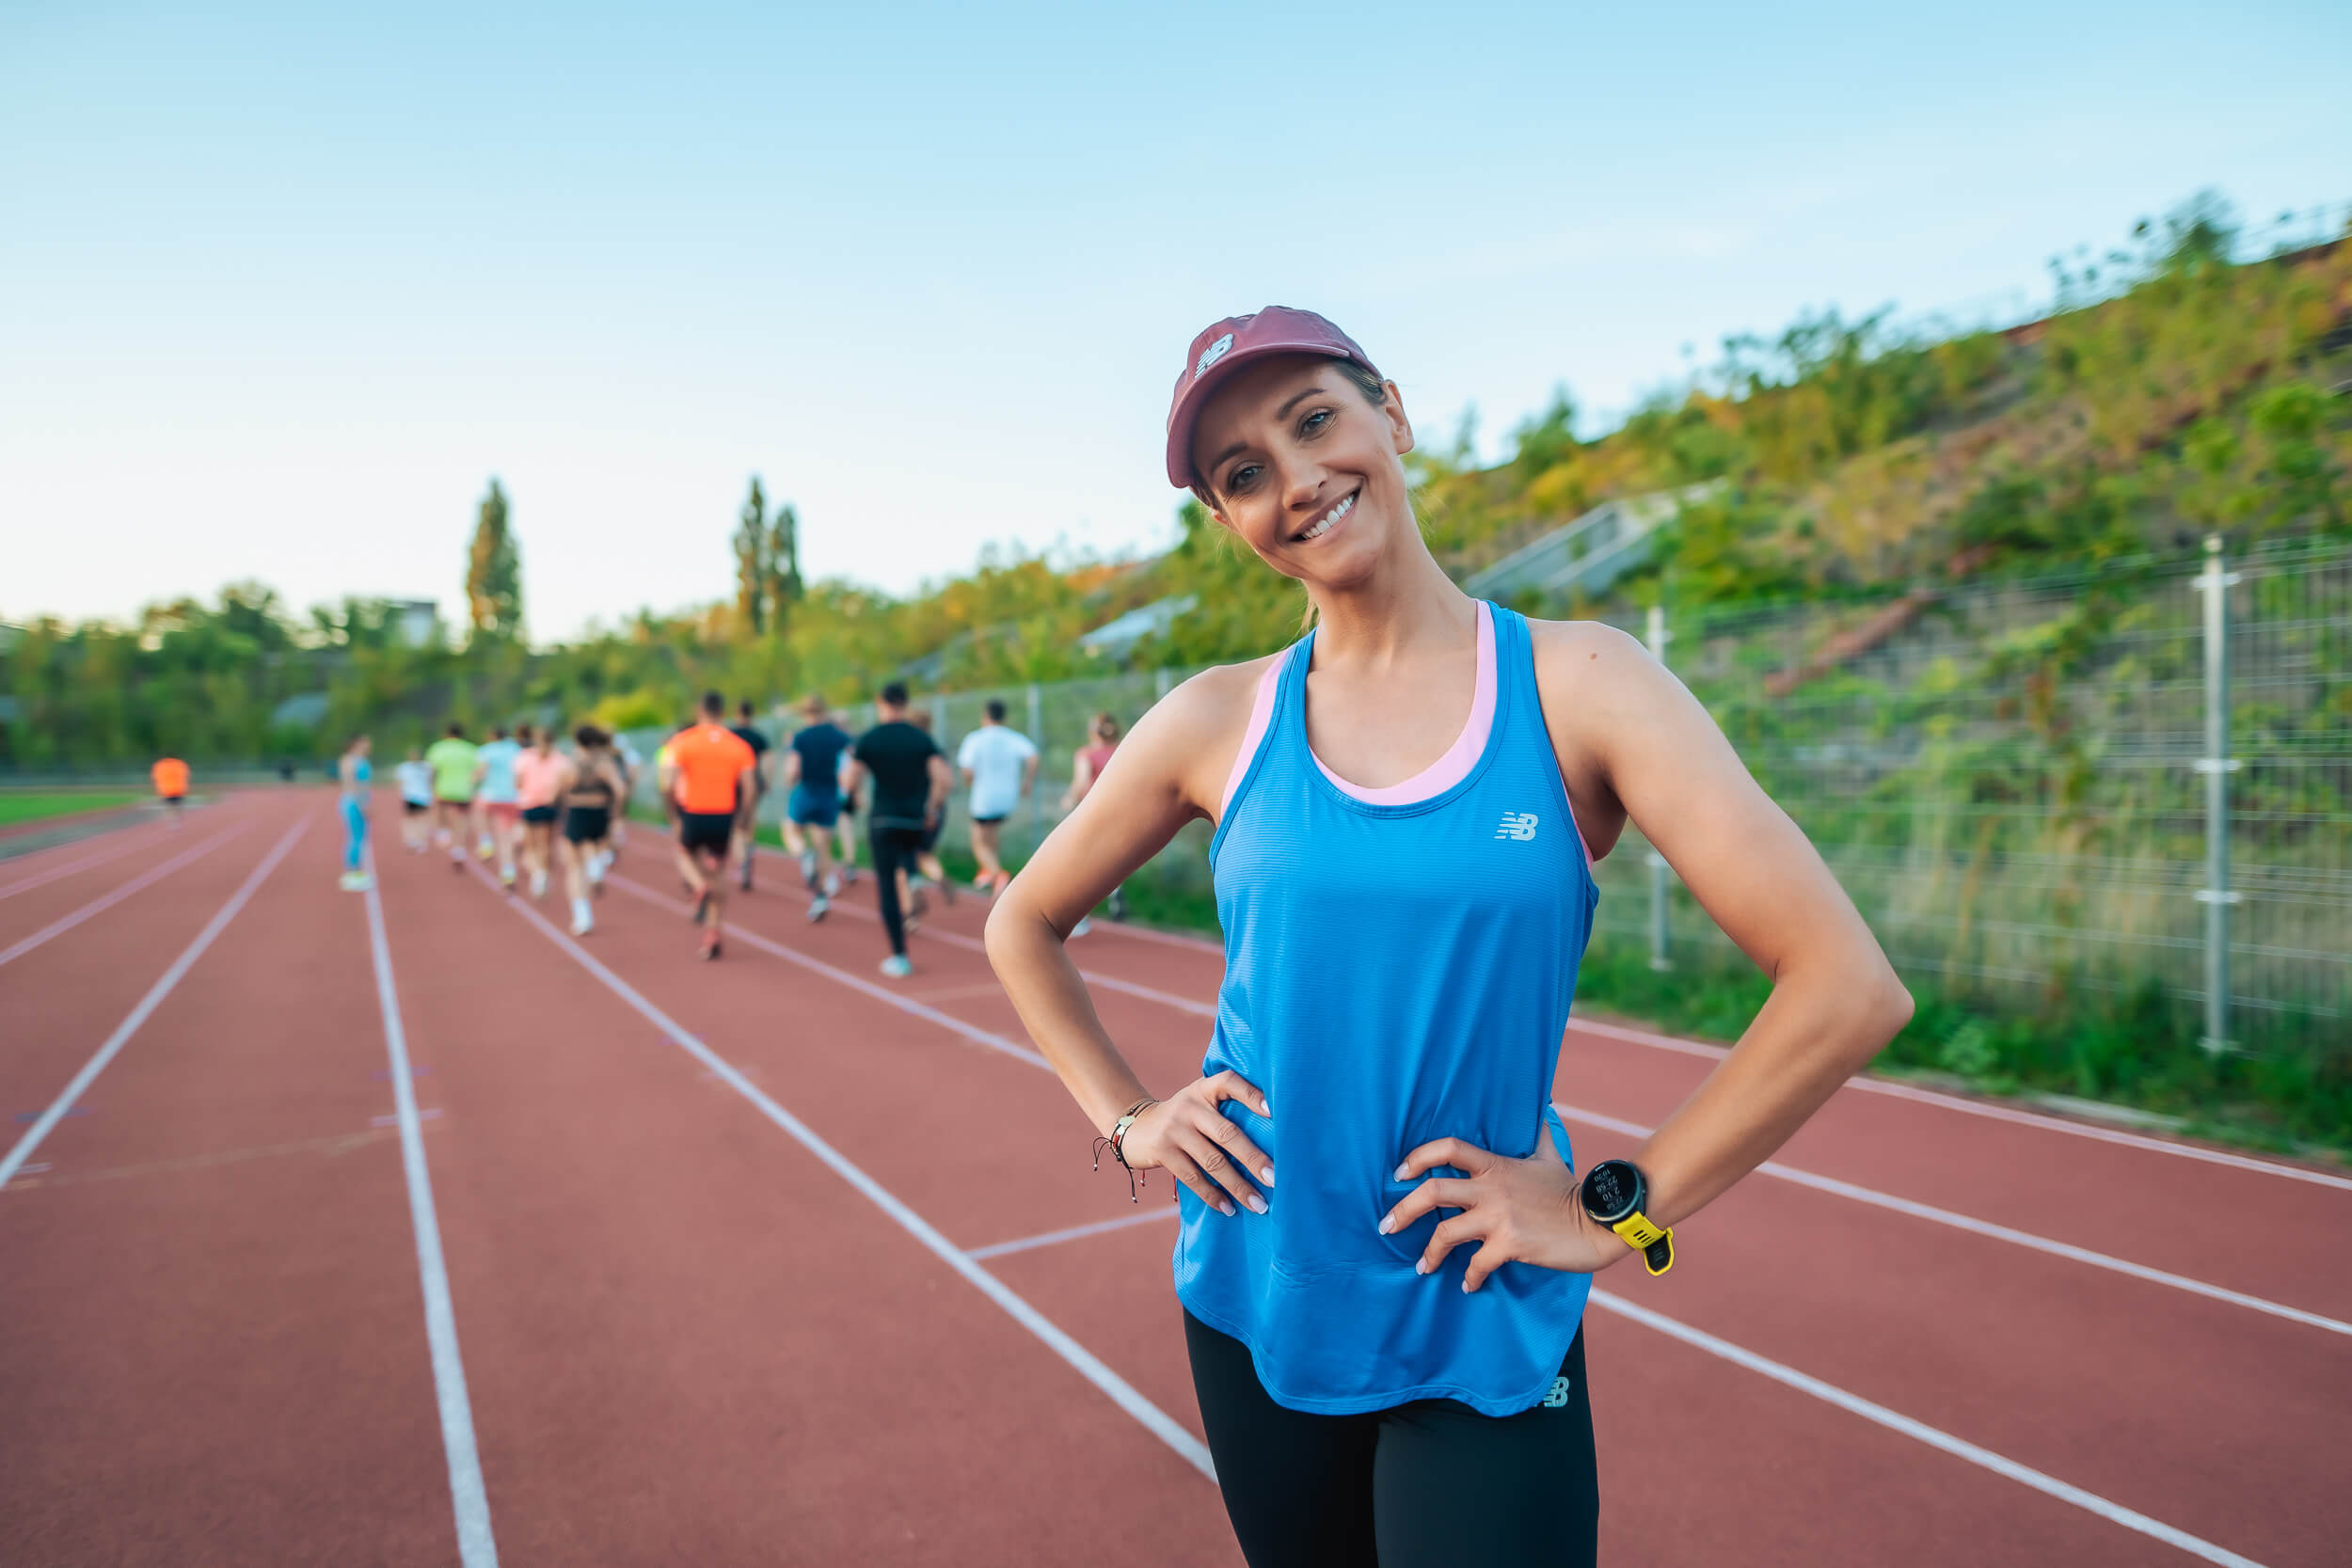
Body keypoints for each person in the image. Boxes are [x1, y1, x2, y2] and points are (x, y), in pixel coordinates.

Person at [981, 308, 1915, 1568]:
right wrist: (1129, 1119)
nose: (1296, 480)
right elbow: (1024, 920)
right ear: (1226, 520)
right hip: (1259, 1293)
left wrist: (1607, 1210)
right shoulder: (1214, 718)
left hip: (1475, 1302)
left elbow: (1847, 984)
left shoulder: (1580, 683)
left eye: (1315, 420)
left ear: (1393, 417)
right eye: (1243, 472)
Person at [844, 681, 950, 978]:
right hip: (914, 819)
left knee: (887, 886)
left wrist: (857, 795)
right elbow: (944, 779)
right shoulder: (922, 739)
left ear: (881, 702)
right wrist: (931, 807)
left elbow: (850, 780)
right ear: (905, 703)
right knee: (909, 860)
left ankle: (900, 956)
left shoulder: (869, 739)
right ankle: (914, 880)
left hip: (883, 819)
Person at [661, 691, 757, 959]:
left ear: (699, 710)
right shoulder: (738, 745)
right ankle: (713, 934)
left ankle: (697, 885)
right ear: (722, 711)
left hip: (693, 812)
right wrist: (740, 819)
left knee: (684, 856)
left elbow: (668, 784)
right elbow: (749, 789)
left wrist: (674, 816)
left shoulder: (682, 742)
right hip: (724, 815)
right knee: (719, 872)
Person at [956, 699, 1038, 896]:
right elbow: (1033, 757)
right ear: (1004, 717)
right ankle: (988, 872)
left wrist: (968, 780)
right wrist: (1027, 781)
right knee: (991, 833)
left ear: (985, 716)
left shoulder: (976, 738)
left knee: (978, 840)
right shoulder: (1013, 737)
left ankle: (997, 873)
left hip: (984, 796)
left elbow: (966, 768)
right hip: (1007, 796)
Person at [780, 694, 851, 921]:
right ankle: (821, 897)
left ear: (804, 713)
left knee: (791, 830)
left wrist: (789, 780)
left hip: (806, 792)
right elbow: (850, 762)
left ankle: (803, 853)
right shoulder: (838, 737)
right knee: (824, 846)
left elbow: (793, 769)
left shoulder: (800, 737)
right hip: (829, 795)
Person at [556, 724, 628, 936]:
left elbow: (558, 791)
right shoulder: (603, 763)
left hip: (577, 811)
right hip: (599, 810)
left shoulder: (570, 763)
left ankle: (582, 915)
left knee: (574, 866)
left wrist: (561, 810)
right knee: (596, 847)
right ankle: (596, 867)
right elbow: (620, 790)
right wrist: (616, 813)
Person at [1058, 712, 1126, 934]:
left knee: (1079, 863)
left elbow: (1081, 781)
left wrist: (1069, 799)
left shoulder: (1087, 753)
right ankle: (1114, 889)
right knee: (1110, 859)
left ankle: (1080, 915)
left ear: (1091, 731)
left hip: (1095, 813)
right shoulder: (1123, 750)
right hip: (1122, 810)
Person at [514, 725, 567, 900]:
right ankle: (543, 874)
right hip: (549, 804)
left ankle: (539, 874)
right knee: (546, 844)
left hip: (531, 803)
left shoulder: (526, 757)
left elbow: (517, 781)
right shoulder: (560, 759)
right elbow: (564, 783)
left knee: (532, 845)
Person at [725, 700, 773, 892]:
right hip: (753, 783)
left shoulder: (730, 735)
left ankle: (742, 859)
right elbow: (769, 761)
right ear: (751, 715)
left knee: (737, 825)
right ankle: (749, 848)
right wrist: (766, 781)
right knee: (750, 820)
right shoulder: (758, 737)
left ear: (737, 714)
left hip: (734, 784)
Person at [423, 723, 480, 871]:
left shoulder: (438, 748)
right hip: (464, 790)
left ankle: (444, 832)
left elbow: (432, 770)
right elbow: (479, 769)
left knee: (441, 811)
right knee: (462, 819)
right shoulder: (470, 749)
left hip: (444, 789)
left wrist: (430, 787)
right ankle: (459, 848)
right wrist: (473, 783)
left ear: (447, 734)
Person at [473, 724, 525, 885]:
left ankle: (486, 842)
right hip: (512, 797)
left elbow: (481, 772)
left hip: (491, 796)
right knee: (506, 837)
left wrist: (472, 780)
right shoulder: (516, 749)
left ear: (492, 736)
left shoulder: (486, 750)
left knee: (479, 813)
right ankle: (508, 870)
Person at [336, 736, 373, 891]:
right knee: (355, 837)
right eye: (366, 742)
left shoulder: (362, 760)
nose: (369, 745)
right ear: (356, 744)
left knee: (361, 836)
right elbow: (351, 783)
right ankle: (351, 872)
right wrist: (362, 803)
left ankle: (355, 870)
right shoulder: (349, 760)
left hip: (360, 801)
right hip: (353, 802)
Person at [829, 707, 862, 884]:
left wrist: (856, 791)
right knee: (844, 829)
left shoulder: (845, 744)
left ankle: (846, 865)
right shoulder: (849, 742)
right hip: (840, 791)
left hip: (839, 792)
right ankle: (846, 865)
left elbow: (856, 771)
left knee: (840, 829)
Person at [394, 746, 435, 852]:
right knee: (410, 819)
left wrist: (431, 794)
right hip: (410, 796)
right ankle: (410, 840)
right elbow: (400, 783)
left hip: (423, 796)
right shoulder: (404, 768)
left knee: (422, 820)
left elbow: (430, 781)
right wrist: (401, 796)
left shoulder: (427, 766)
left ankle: (421, 841)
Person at [150, 755, 189, 830]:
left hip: (166, 790)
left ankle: (172, 821)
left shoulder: (159, 765)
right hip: (178, 789)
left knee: (169, 807)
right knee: (177, 806)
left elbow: (155, 777)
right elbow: (185, 775)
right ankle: (176, 820)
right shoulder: (179, 764)